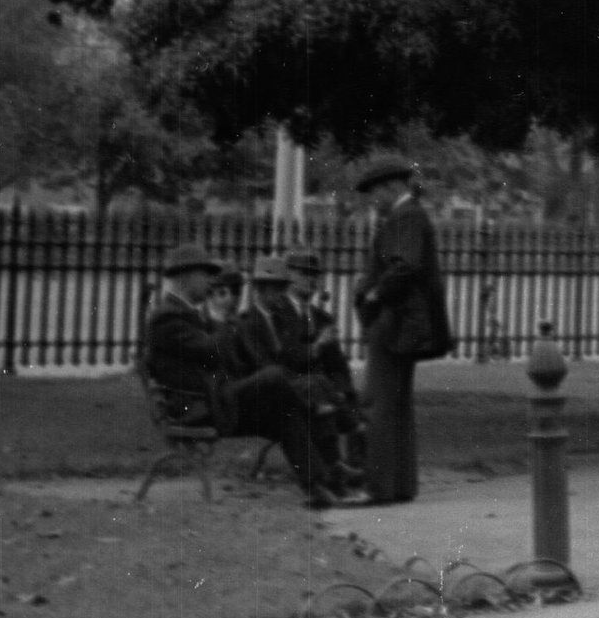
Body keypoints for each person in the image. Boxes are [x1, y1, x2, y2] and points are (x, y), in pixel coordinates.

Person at [141, 242, 348, 505]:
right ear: (187, 276)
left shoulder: (186, 314)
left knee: (282, 412)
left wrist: (223, 323)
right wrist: (220, 317)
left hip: (214, 399)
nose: (211, 282)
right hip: (196, 408)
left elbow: (224, 358)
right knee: (275, 376)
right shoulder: (168, 317)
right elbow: (212, 352)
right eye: (206, 275)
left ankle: (318, 485)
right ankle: (316, 408)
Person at [352, 153, 455, 504]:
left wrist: (375, 294)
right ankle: (399, 485)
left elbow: (406, 265)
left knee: (379, 403)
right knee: (396, 404)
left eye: (375, 192)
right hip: (402, 322)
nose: (373, 200)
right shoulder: (410, 215)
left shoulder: (405, 215)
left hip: (393, 321)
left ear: (392, 186)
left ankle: (378, 487)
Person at [285, 246, 365, 479]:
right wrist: (318, 345)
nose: (311, 280)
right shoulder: (279, 313)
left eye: (315, 274)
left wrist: (342, 390)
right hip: (292, 388)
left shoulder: (322, 318)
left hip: (321, 391)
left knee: (353, 401)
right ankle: (334, 468)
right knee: (321, 398)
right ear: (289, 275)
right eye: (304, 273)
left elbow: (338, 366)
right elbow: (286, 358)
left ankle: (359, 469)